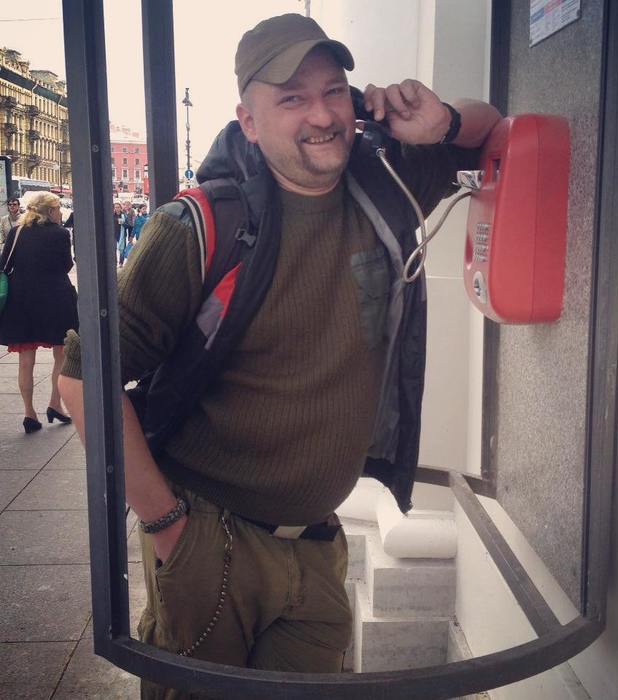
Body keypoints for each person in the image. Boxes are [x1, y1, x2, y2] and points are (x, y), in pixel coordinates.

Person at [58, 12, 500, 695]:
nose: (321, 115)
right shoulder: (199, 226)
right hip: (211, 541)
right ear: (249, 121)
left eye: (333, 91)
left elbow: (490, 126)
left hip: (319, 546)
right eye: (292, 98)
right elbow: (81, 377)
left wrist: (440, 119)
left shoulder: (387, 186)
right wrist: (169, 527)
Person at [0, 191, 77, 433]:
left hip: (22, 300)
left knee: (26, 360)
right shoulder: (60, 234)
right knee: (61, 352)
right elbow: (66, 265)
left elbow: (4, 265)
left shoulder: (17, 231)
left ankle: (29, 413)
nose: (60, 212)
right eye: (57, 208)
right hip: (55, 299)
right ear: (49, 211)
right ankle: (55, 403)